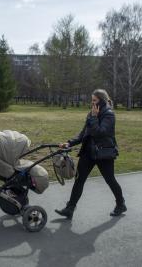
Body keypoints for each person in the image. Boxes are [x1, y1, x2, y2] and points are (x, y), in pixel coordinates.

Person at [55, 89, 126, 220]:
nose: (92, 103)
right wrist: (69, 143)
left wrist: (94, 117)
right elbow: (84, 134)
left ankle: (121, 204)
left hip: (103, 153)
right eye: (92, 100)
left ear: (102, 101)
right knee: (79, 180)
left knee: (110, 180)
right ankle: (70, 208)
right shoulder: (91, 114)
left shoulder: (109, 114)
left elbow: (100, 132)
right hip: (88, 153)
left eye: (94, 100)